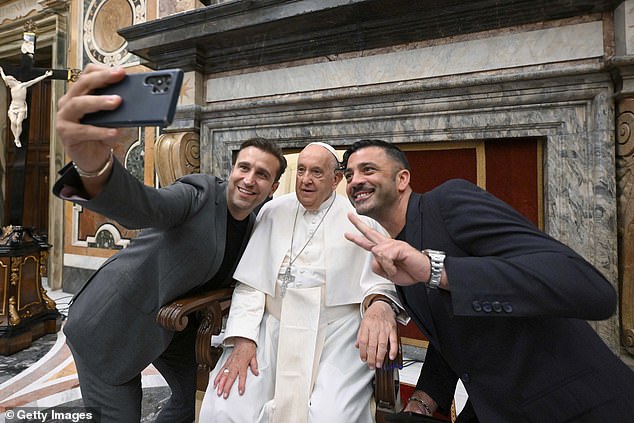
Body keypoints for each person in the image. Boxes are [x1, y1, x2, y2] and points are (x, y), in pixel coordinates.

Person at [53, 64, 287, 423]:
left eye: (262, 174)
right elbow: (145, 207)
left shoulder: (257, 224)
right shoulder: (199, 193)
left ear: (273, 188)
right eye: (244, 167)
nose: (249, 179)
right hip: (111, 324)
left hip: (172, 329)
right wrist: (94, 168)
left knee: (200, 395)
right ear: (232, 169)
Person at [342, 139, 634, 423]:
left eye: (368, 170)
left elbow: (588, 287)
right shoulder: (397, 254)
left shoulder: (447, 203)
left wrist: (437, 270)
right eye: (349, 174)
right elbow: (456, 332)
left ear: (402, 178)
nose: (355, 180)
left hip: (579, 405)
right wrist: (424, 399)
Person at [199, 142, 405, 423]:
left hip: (336, 331)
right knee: (228, 403)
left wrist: (379, 305)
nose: (306, 179)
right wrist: (245, 338)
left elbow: (381, 282)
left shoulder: (361, 218)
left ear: (335, 180)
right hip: (273, 325)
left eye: (317, 172)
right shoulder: (272, 212)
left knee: (332, 415)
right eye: (301, 171)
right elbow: (251, 284)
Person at [0, 66, 52, 147]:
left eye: (9, 83)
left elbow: (34, 81)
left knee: (18, 122)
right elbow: (4, 78)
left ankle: (17, 139)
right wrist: (1, 71)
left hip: (21, 107)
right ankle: (16, 138)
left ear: (12, 81)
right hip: (13, 107)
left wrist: (45, 76)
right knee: (13, 122)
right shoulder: (12, 87)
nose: (8, 84)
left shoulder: (22, 86)